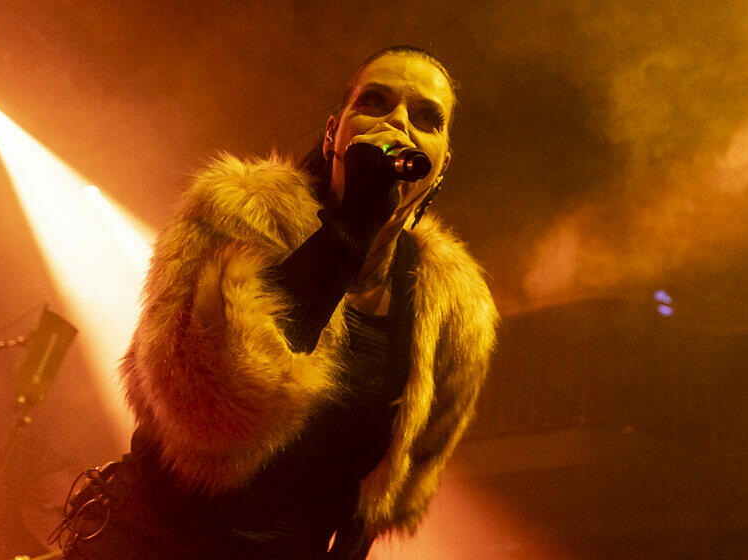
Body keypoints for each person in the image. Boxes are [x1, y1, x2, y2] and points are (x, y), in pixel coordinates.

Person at [53, 45, 497, 560]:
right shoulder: (238, 217)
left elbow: (394, 485)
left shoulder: (451, 306)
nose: (398, 122)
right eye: (375, 102)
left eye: (426, 118)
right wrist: (350, 230)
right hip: (150, 543)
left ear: (440, 165)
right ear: (333, 134)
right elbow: (199, 412)